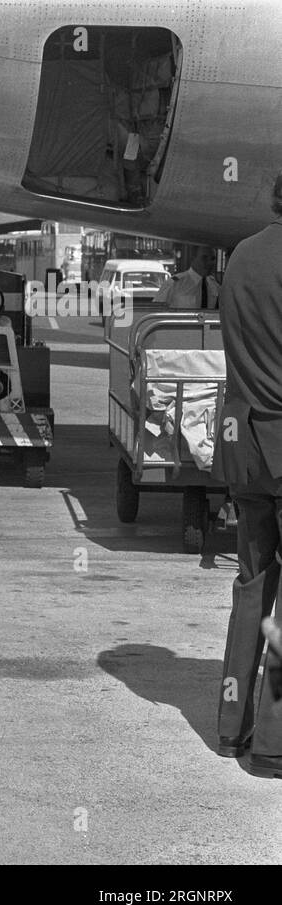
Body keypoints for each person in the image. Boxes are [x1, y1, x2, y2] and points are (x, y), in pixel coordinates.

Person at [210, 174, 282, 780]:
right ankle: (275, 745)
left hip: (245, 447)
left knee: (251, 589)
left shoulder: (243, 255)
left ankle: (232, 727)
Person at [154, 246, 219, 308]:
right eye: (204, 258)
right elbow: (155, 309)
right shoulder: (175, 282)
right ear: (193, 258)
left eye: (213, 258)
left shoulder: (214, 285)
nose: (209, 262)